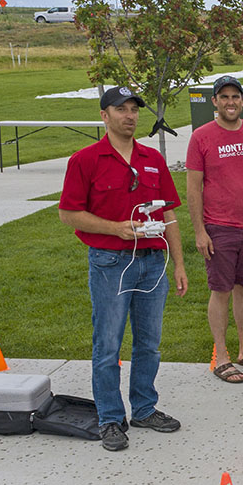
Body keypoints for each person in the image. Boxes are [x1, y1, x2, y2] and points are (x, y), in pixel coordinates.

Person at [57, 86, 188, 452]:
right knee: (108, 344)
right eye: (121, 109)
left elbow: (169, 214)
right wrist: (115, 227)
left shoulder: (151, 158)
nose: (129, 115)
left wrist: (178, 262)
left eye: (134, 109)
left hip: (152, 263)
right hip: (111, 263)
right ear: (104, 116)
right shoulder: (85, 160)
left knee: (149, 344)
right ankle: (111, 419)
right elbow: (68, 213)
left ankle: (144, 408)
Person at [185, 76, 243, 384]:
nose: (230, 102)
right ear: (214, 101)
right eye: (223, 96)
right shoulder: (201, 137)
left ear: (242, 101)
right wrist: (200, 231)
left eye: (235, 97)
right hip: (219, 228)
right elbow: (194, 188)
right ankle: (222, 357)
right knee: (221, 290)